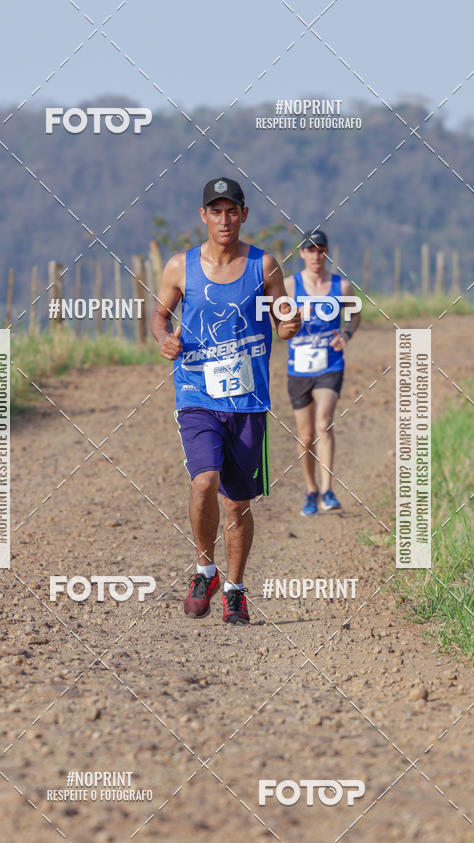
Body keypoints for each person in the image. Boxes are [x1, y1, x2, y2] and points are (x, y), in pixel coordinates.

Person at [151, 177, 300, 624]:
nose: (224, 219)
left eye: (231, 210)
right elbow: (159, 314)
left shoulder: (264, 264)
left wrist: (288, 325)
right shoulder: (181, 267)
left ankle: (234, 589)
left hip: (249, 400)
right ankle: (204, 569)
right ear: (203, 216)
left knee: (237, 503)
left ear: (243, 215)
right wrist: (164, 338)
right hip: (196, 391)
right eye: (215, 211)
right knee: (203, 482)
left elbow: (283, 313)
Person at [284, 229, 360, 516]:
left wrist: (347, 335)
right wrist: (291, 319)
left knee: (324, 423)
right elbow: (275, 319)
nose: (316, 255)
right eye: (310, 250)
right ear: (302, 253)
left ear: (326, 252)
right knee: (305, 436)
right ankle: (311, 490)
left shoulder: (342, 286)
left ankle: (328, 490)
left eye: (321, 249)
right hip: (299, 367)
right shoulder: (290, 286)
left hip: (330, 363)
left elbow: (355, 315)